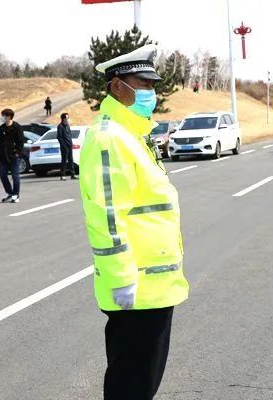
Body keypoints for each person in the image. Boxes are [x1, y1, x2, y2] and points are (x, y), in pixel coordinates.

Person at [80, 44, 189, 400]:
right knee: (132, 384)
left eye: (152, 85)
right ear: (116, 87)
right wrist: (121, 278)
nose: (150, 93)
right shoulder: (109, 137)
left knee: (142, 381)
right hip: (136, 289)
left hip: (154, 286)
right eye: (141, 84)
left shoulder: (131, 134)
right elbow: (106, 214)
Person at [0, 108, 24, 203]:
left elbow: (21, 142)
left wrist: (17, 153)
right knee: (2, 175)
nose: (2, 117)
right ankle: (10, 192)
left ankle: (16, 194)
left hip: (14, 156)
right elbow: (0, 142)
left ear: (9, 117)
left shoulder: (17, 127)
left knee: (15, 176)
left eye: (3, 115)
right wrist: (0, 154)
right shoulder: (2, 128)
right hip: (3, 157)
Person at [57, 113, 77, 180]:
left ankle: (73, 174)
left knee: (71, 160)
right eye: (67, 118)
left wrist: (71, 143)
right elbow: (59, 137)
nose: (68, 119)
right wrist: (64, 145)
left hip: (69, 145)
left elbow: (69, 135)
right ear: (64, 119)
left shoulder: (67, 125)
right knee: (64, 161)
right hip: (64, 147)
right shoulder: (60, 126)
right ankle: (62, 175)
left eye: (68, 118)